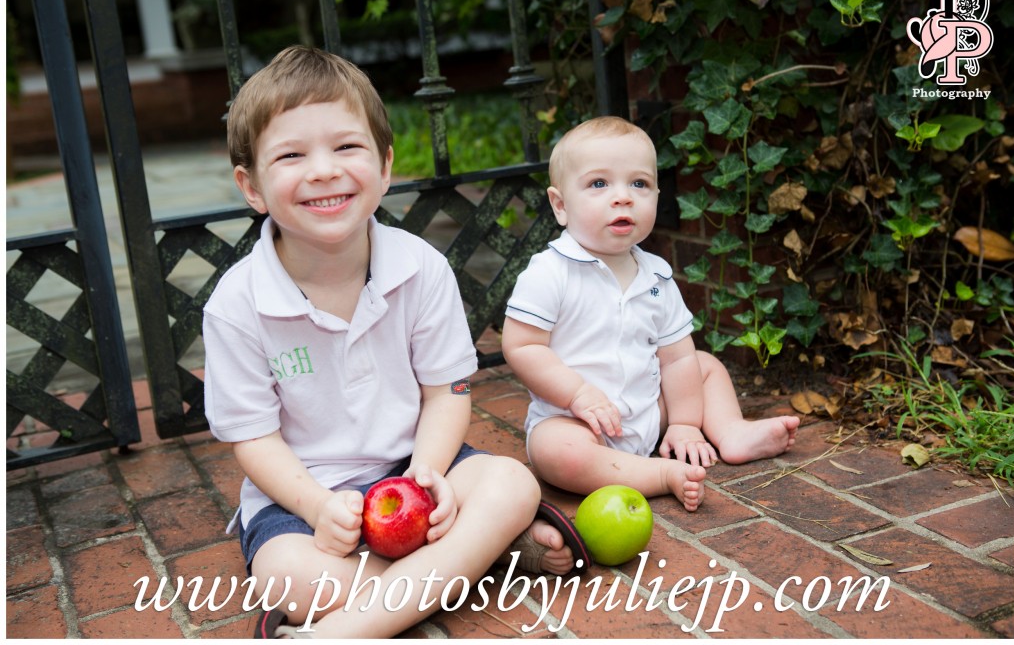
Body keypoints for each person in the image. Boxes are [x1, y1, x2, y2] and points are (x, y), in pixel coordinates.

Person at [203, 46, 588, 640]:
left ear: (385, 167)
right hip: (304, 495)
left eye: (346, 147)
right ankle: (475, 563)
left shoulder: (420, 268)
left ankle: (348, 627)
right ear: (250, 185)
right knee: (289, 580)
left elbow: (446, 393)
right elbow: (253, 438)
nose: (324, 169)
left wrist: (428, 475)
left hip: (412, 465)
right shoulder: (236, 304)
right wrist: (313, 508)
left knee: (512, 482)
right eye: (291, 155)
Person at [502, 116, 801, 513]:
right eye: (599, 184)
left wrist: (683, 421)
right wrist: (577, 394)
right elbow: (521, 346)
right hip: (576, 421)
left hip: (647, 411)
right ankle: (658, 475)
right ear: (560, 205)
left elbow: (676, 357)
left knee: (703, 364)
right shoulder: (550, 271)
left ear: (656, 196)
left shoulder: (657, 275)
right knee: (557, 453)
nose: (623, 197)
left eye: (639, 184)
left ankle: (731, 432)